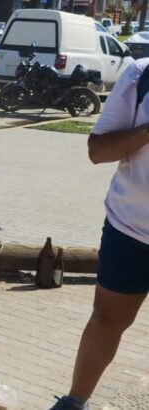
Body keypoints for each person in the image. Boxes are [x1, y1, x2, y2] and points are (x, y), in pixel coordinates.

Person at [49, 61, 149, 410]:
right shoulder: (141, 74)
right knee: (107, 321)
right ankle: (75, 402)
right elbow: (98, 152)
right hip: (131, 229)